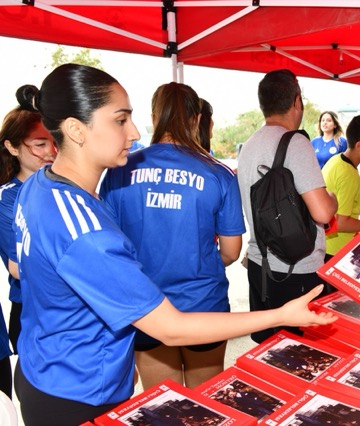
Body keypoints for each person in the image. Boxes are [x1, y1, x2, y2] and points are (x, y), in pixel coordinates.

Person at [10, 63, 336, 426]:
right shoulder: (87, 232)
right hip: (79, 391)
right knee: (203, 409)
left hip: (46, 369)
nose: (134, 132)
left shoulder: (39, 185)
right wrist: (281, 315)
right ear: (75, 128)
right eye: (120, 120)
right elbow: (171, 325)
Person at [100, 83, 245, 390]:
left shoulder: (119, 171)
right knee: (206, 402)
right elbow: (232, 251)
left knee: (162, 404)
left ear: (154, 116)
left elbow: (109, 244)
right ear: (196, 119)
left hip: (145, 305)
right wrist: (196, 261)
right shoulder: (219, 173)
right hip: (204, 305)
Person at [237, 69, 338, 344]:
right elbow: (322, 212)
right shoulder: (296, 142)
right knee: (301, 352)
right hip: (297, 270)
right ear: (296, 101)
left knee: (268, 349)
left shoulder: (249, 145)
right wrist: (332, 197)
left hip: (259, 266)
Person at [0, 104, 57, 397]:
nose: (51, 151)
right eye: (39, 144)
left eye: (54, 142)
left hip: (70, 308)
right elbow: (17, 267)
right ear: (12, 147)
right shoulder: (7, 198)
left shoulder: (64, 188)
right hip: (33, 312)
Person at [322, 114, 360, 258]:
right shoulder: (349, 175)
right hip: (335, 250)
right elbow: (341, 223)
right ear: (359, 146)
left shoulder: (336, 160)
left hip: (325, 244)